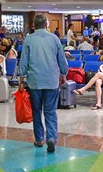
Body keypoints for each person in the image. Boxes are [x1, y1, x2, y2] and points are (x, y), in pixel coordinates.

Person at [18, 14, 68, 153]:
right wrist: (63, 74)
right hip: (52, 81)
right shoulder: (55, 39)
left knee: (36, 111)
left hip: (34, 82)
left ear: (34, 25)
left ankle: (39, 139)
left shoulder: (28, 40)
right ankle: (51, 137)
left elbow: (24, 61)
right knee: (50, 111)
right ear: (47, 24)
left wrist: (21, 79)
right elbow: (62, 60)